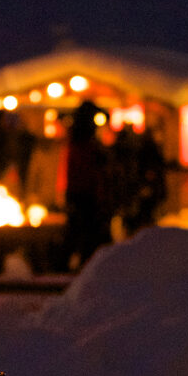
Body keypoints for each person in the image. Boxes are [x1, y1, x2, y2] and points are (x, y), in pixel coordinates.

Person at [62, 100, 111, 270]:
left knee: (78, 233)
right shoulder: (86, 144)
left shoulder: (76, 140)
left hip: (78, 192)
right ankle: (83, 268)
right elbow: (91, 169)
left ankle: (72, 266)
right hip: (86, 193)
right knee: (88, 234)